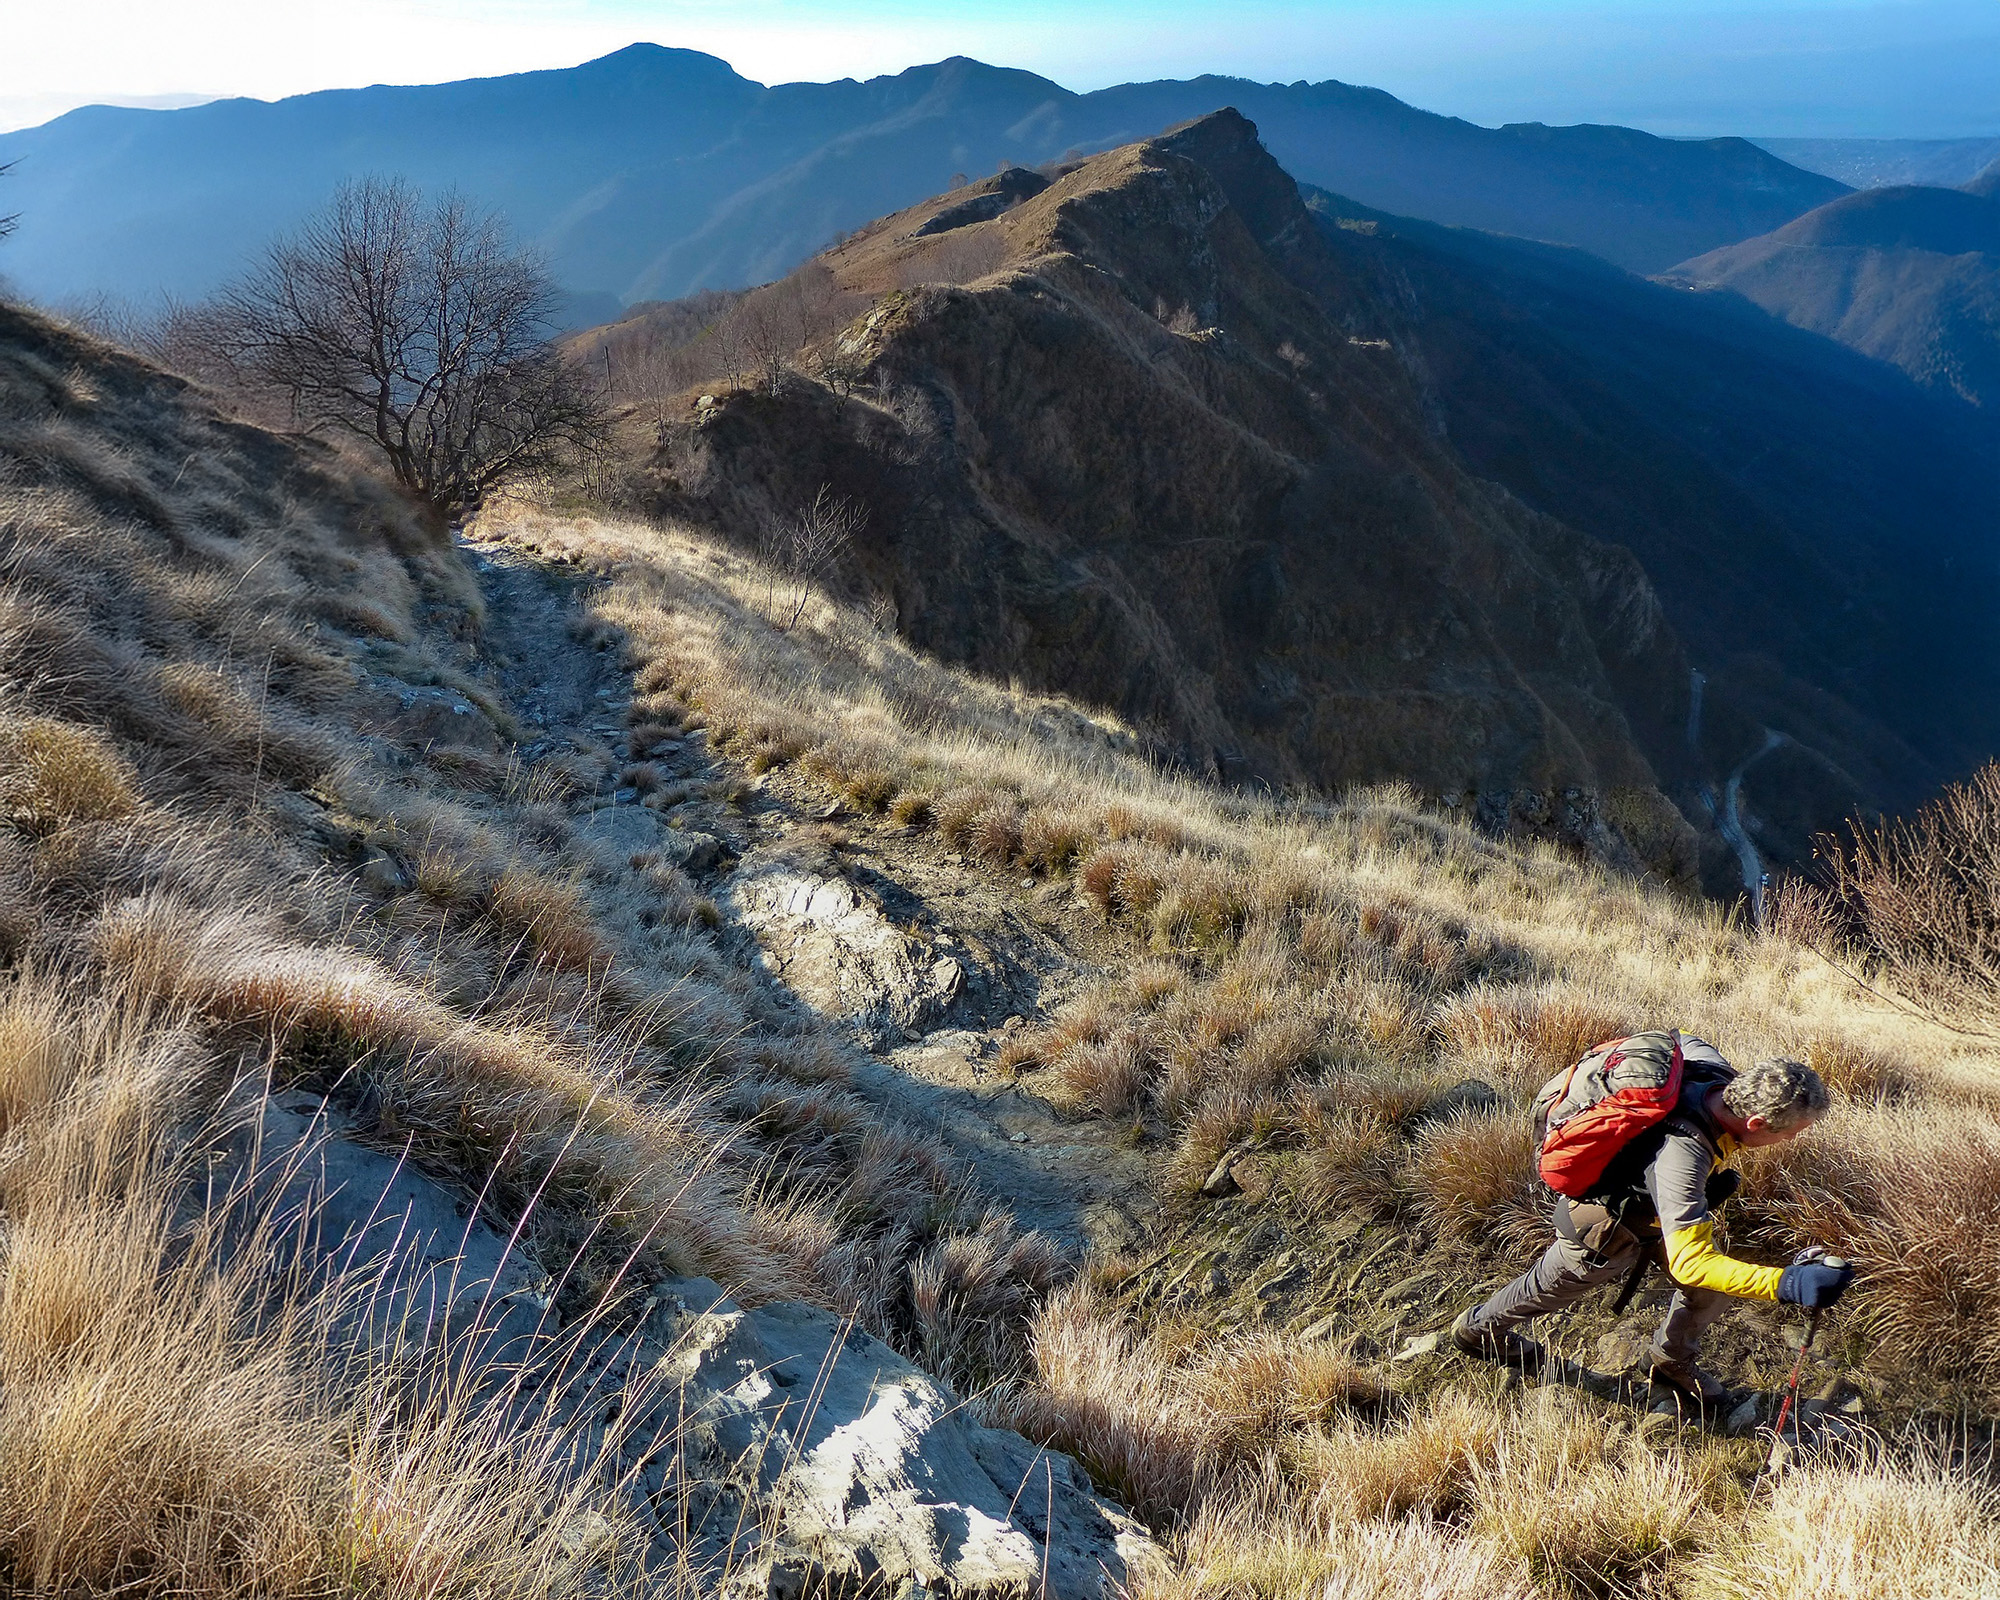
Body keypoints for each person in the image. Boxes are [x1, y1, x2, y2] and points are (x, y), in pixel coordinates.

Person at [1450, 1044, 1853, 1402]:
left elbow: (1684, 1040)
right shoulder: (1685, 1155)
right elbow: (1689, 1262)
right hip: (1602, 1231)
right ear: (1757, 1122)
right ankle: (1478, 1331)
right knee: (1545, 1290)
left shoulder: (1715, 1073)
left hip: (1656, 1215)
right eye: (1791, 1134)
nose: (1790, 1141)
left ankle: (1669, 1361)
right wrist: (1790, 1283)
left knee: (1711, 1288)